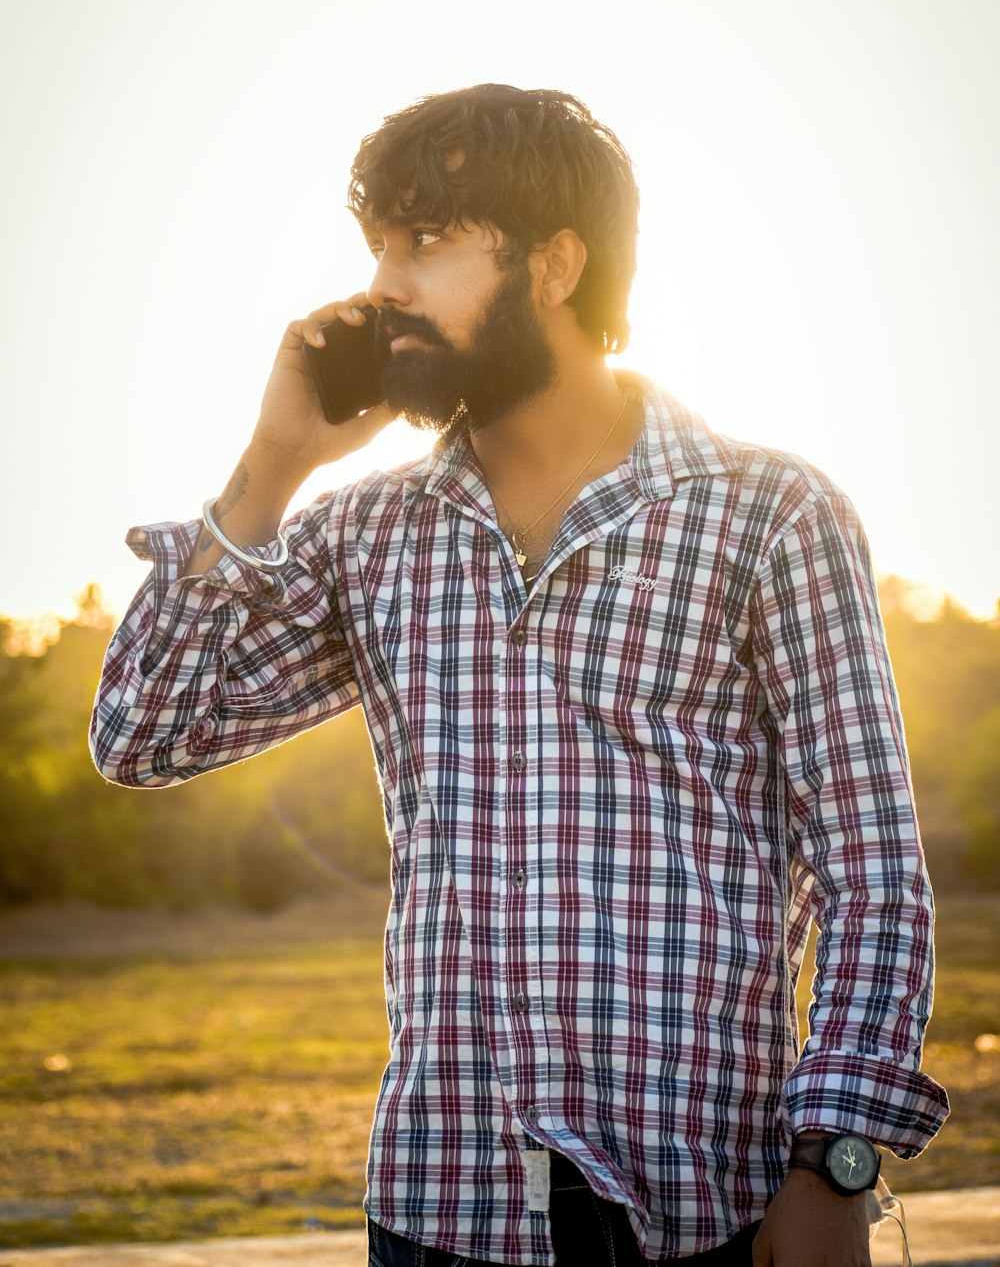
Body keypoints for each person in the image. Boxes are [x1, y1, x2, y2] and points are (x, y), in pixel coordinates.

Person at [91, 84, 948, 1267]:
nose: (384, 281)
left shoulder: (769, 515)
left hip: (709, 1212)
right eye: (379, 243)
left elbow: (869, 874)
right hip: (445, 1215)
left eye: (428, 240)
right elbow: (144, 735)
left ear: (553, 264)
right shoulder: (368, 534)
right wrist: (271, 466)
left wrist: (835, 1165)